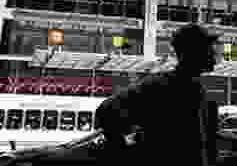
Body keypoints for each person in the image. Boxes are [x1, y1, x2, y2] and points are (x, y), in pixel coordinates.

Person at [94, 23, 219, 166]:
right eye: (209, 47)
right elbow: (106, 112)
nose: (214, 52)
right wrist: (125, 150)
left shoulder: (201, 95)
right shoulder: (159, 88)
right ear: (196, 51)